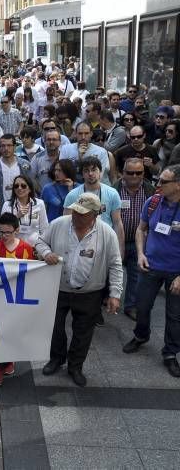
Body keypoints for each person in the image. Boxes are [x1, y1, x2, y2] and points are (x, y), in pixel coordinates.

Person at [36, 193, 123, 387]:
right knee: (55, 327)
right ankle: (56, 358)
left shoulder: (107, 232)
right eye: (75, 210)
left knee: (83, 332)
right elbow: (40, 242)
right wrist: (46, 253)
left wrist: (115, 294)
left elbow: (115, 264)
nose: (76, 215)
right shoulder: (59, 223)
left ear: (95, 214)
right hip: (58, 288)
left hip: (90, 293)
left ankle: (75, 366)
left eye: (82, 213)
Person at [122, 165, 180, 377]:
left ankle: (170, 353)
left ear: (178, 185)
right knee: (142, 306)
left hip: (176, 272)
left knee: (175, 316)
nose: (158, 185)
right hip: (151, 266)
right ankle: (141, 335)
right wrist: (140, 254)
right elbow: (140, 229)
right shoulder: (153, 202)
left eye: (164, 181)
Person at [0, 212, 35, 385]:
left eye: (8, 232)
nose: (5, 236)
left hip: (17, 300)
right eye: (1, 232)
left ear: (17, 230)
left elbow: (32, 275)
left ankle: (8, 360)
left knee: (12, 332)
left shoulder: (27, 249)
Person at [113, 158, 155, 320]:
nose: (134, 176)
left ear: (143, 173)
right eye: (130, 172)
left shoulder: (150, 191)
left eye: (139, 173)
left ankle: (131, 306)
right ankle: (107, 298)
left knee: (136, 275)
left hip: (139, 241)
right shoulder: (114, 189)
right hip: (116, 240)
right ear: (123, 173)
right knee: (110, 272)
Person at [0, 134, 32, 212]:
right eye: (3, 146)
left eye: (9, 145)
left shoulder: (25, 165)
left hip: (22, 209)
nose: (6, 148)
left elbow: (31, 187)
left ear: (14, 147)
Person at [0, 175, 48, 246]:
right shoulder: (7, 204)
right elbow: (2, 228)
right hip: (13, 247)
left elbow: (44, 229)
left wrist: (42, 247)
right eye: (16, 186)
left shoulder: (39, 203)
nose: (19, 188)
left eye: (23, 186)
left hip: (34, 247)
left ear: (30, 189)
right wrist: (17, 216)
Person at [30, 125, 63, 190]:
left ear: (59, 142)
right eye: (48, 139)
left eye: (54, 139)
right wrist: (41, 193)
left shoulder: (64, 157)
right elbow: (31, 178)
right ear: (44, 141)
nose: (51, 142)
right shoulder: (37, 158)